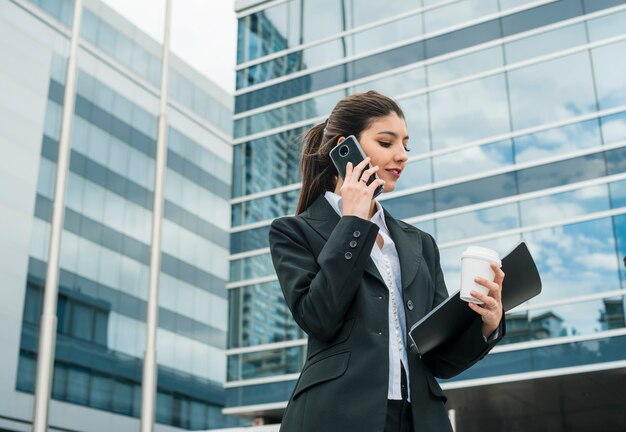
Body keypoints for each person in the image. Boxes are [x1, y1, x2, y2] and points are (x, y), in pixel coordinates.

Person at [268, 91, 505, 432]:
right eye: (386, 142)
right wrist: (354, 223)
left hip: (420, 420)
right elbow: (318, 316)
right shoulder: (294, 231)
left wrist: (487, 325)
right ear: (344, 147)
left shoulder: (420, 243)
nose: (402, 156)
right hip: (336, 416)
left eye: (406, 145)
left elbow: (437, 357)